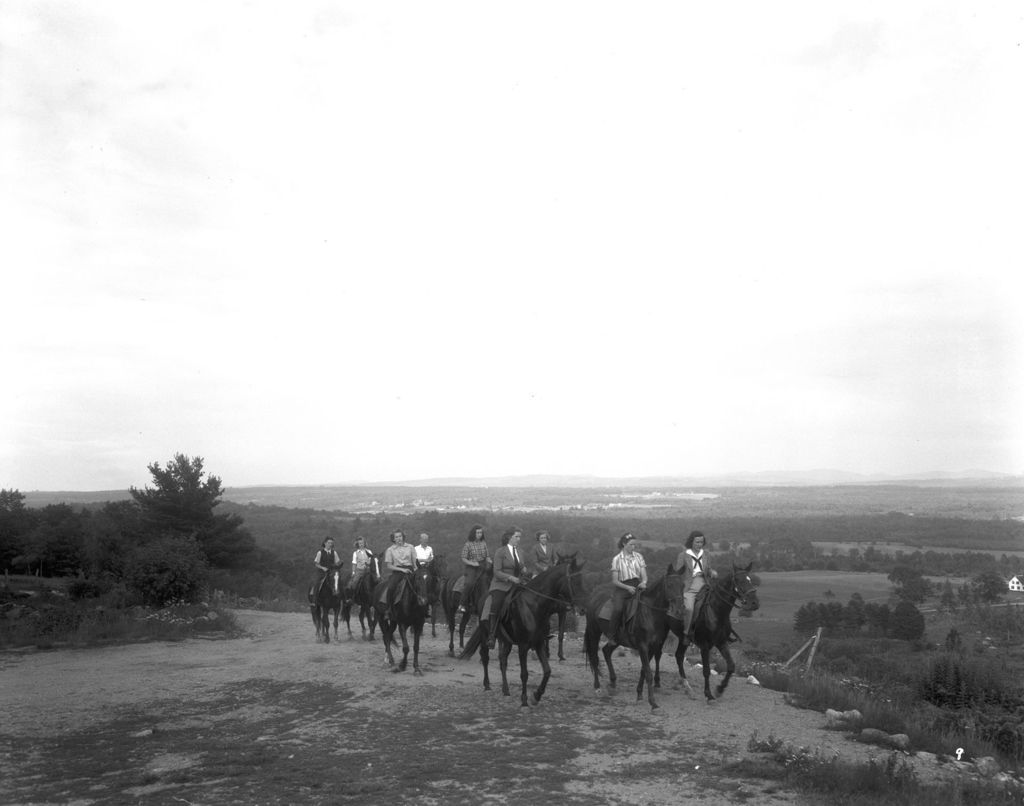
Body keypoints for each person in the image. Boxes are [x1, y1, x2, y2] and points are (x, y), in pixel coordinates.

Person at [486, 527, 527, 649]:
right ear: (509, 537)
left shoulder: (520, 552)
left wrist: (524, 570)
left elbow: (521, 567)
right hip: (501, 585)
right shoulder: (500, 551)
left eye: (520, 537)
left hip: (517, 584)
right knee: (497, 603)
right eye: (516, 537)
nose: (519, 539)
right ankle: (492, 635)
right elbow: (496, 572)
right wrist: (510, 578)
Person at [676, 529, 718, 643]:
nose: (700, 544)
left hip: (705, 583)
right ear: (691, 542)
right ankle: (686, 633)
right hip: (689, 585)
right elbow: (678, 573)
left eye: (701, 542)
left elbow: (708, 569)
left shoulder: (706, 554)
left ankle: (721, 631)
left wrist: (712, 572)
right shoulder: (683, 555)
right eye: (697, 542)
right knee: (689, 608)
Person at [606, 532, 647, 639]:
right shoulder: (617, 559)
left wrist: (644, 582)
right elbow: (615, 581)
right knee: (618, 609)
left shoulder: (639, 557)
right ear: (624, 544)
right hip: (622, 587)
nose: (633, 547)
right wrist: (628, 588)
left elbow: (644, 576)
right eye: (631, 544)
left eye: (635, 545)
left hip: (638, 585)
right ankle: (612, 635)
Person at [378, 530, 415, 620]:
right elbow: (389, 565)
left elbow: (414, 562)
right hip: (397, 572)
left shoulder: (410, 547)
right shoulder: (390, 550)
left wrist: (416, 571)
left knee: (422, 584)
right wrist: (402, 570)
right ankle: (388, 609)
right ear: (393, 539)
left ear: (403, 537)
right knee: (391, 588)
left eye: (400, 536)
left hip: (410, 570)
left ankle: (424, 608)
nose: (399, 538)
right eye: (396, 537)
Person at [456, 524, 491, 614]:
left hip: (482, 566)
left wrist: (490, 561)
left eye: (481, 533)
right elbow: (463, 558)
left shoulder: (483, 543)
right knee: (469, 583)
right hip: (471, 567)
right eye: (477, 533)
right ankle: (462, 604)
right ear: (473, 533)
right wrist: (472, 563)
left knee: (487, 582)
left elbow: (487, 556)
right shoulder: (468, 544)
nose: (479, 534)